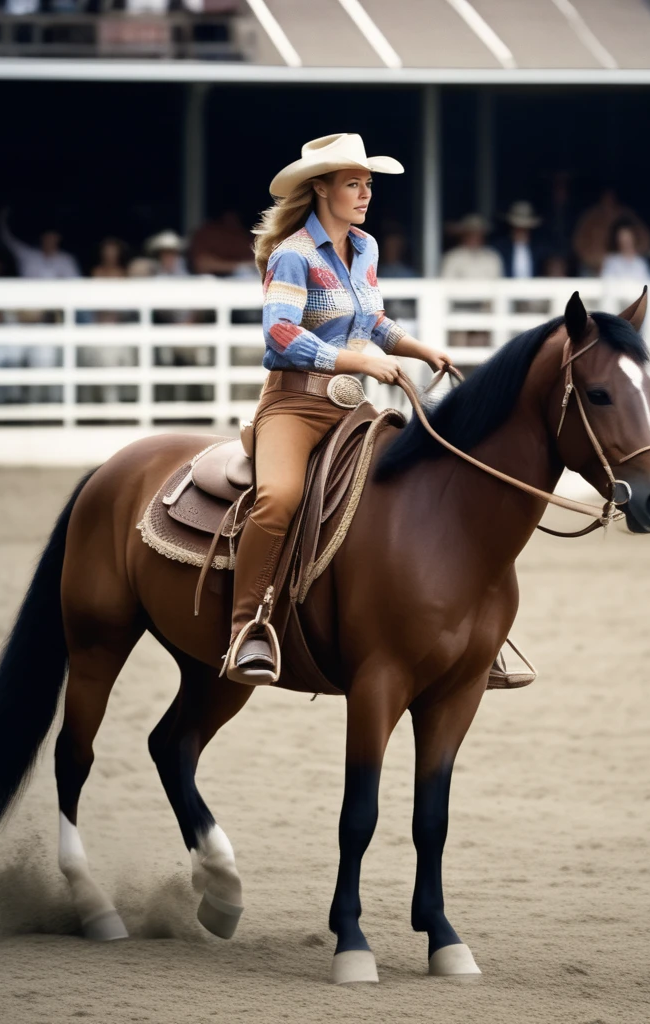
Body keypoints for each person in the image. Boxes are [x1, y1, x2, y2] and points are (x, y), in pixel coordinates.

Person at [225, 133, 453, 685]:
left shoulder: (366, 248)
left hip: (350, 410)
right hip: (293, 405)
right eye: (353, 183)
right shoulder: (292, 256)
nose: (365, 192)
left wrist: (423, 351)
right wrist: (359, 365)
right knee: (279, 497)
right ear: (321, 189)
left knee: (417, 485)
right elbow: (279, 336)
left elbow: (371, 321)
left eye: (368, 183)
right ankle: (246, 627)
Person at [573, 189, 650, 277]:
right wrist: (596, 262)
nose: (608, 201)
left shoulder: (639, 263)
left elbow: (645, 239)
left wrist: (632, 253)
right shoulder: (590, 217)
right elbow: (579, 242)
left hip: (628, 269)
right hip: (592, 268)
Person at [0, 209, 80, 278]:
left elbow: (76, 284)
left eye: (52, 237)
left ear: (58, 239)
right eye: (47, 237)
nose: (49, 240)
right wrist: (2, 218)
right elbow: (8, 240)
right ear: (42, 238)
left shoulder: (66, 260)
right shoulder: (28, 256)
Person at [189, 209, 256, 277]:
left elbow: (256, 261)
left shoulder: (243, 236)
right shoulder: (207, 233)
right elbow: (202, 264)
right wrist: (238, 266)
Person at [439, 213, 503, 279]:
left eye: (478, 234)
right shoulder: (452, 257)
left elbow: (498, 284)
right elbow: (446, 284)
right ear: (464, 236)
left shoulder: (492, 257)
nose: (474, 238)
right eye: (471, 234)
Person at [495, 201, 547, 279]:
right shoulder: (500, 248)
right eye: (518, 228)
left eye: (524, 228)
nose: (521, 231)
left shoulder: (540, 248)